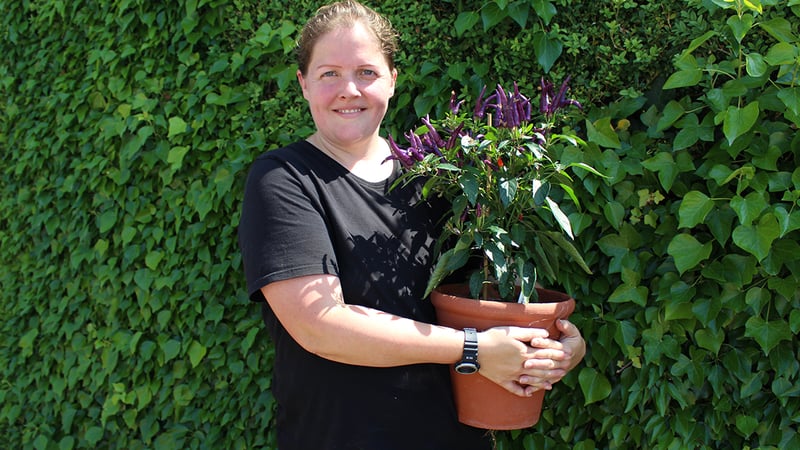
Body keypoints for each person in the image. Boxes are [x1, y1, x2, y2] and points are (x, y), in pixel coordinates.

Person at [237, 1, 586, 449]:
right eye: (329, 74)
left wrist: (553, 350)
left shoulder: (440, 178)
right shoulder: (284, 180)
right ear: (303, 84)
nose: (349, 90)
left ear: (392, 81)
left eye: (366, 72)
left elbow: (489, 297)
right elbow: (319, 324)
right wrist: (474, 349)